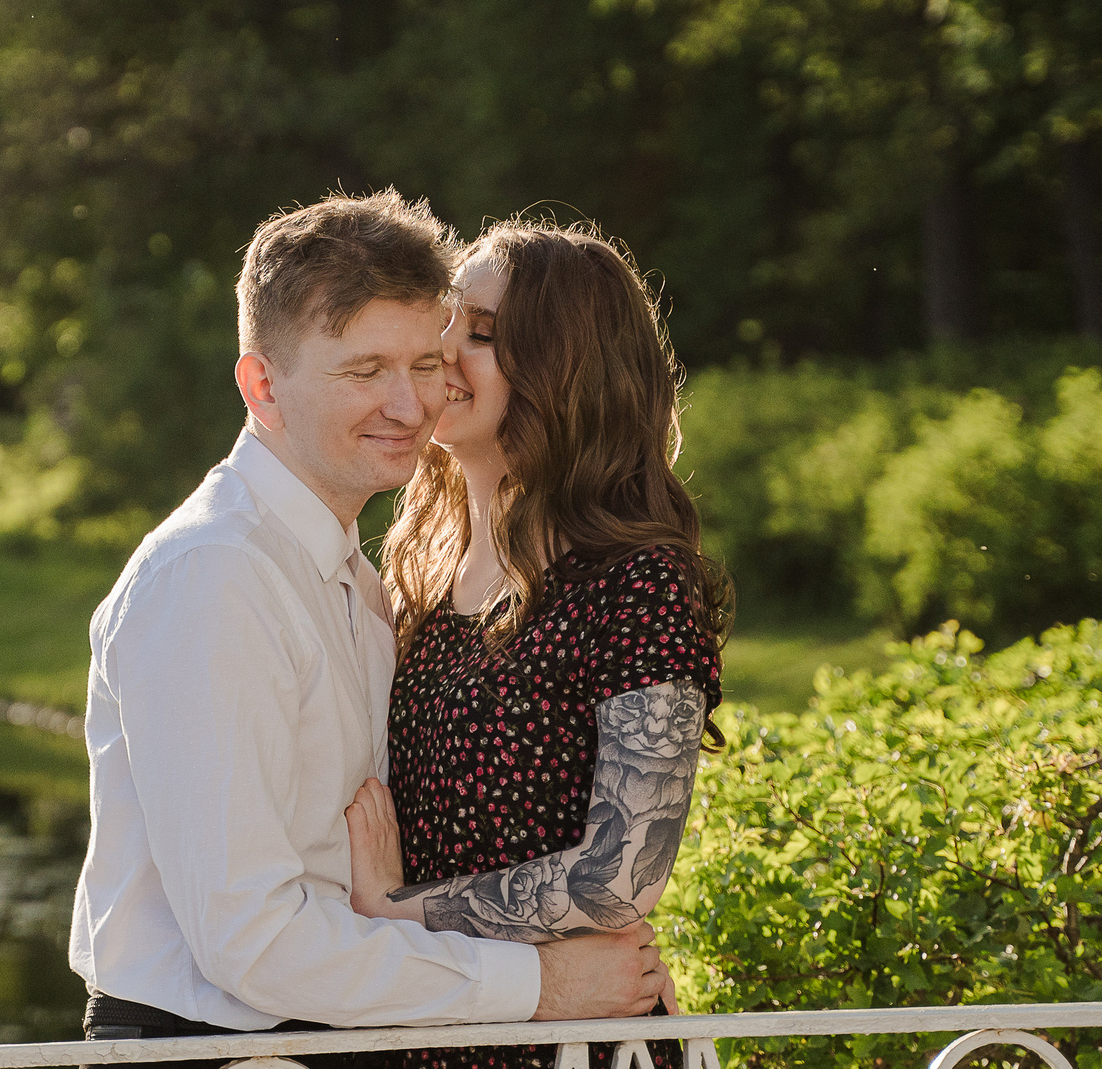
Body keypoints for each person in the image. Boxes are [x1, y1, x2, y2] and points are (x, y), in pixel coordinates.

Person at [70, 192, 676, 1056]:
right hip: (210, 1045)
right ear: (262, 383)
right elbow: (253, 940)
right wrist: (541, 986)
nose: (409, 404)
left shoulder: (360, 579)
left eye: (424, 362)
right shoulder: (215, 576)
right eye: (363, 371)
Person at [341, 219, 730, 1069]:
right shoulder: (418, 565)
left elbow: (622, 873)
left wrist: (398, 907)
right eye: (447, 324)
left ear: (565, 371)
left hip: (579, 1041)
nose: (446, 354)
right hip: (442, 1025)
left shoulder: (639, 582)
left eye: (481, 333)